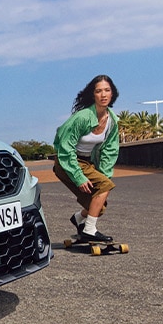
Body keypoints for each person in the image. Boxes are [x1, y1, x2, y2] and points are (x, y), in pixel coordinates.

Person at [52, 75, 120, 243]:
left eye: (107, 90)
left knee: (99, 206)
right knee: (105, 187)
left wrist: (103, 175)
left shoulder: (112, 121)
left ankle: (78, 219)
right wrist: (78, 176)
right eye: (98, 91)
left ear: (113, 94)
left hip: (87, 163)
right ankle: (89, 229)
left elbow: (109, 151)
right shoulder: (82, 118)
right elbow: (65, 148)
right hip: (67, 162)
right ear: (93, 95)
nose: (103, 95)